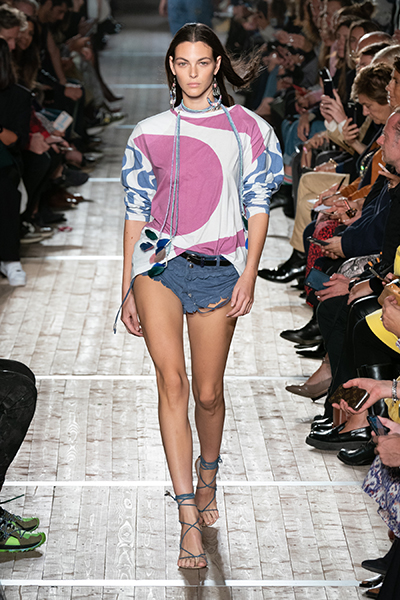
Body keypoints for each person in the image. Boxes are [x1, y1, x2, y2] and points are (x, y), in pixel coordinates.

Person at [119, 23, 283, 569]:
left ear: (217, 66)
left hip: (220, 269)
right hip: (158, 267)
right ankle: (186, 511)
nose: (193, 72)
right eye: (183, 62)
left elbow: (258, 205)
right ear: (172, 66)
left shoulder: (250, 129)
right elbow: (136, 211)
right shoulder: (148, 132)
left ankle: (208, 474)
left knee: (208, 393)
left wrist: (249, 273)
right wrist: (128, 286)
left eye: (203, 62)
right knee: (173, 383)